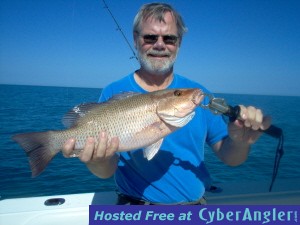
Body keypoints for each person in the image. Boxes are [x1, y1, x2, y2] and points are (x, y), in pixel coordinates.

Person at [62, 3, 271, 204]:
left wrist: (240, 142)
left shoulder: (200, 95)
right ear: (136, 39)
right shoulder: (112, 92)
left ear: (179, 43)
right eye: (150, 37)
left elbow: (231, 158)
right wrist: (96, 161)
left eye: (169, 38)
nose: (160, 45)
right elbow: (106, 171)